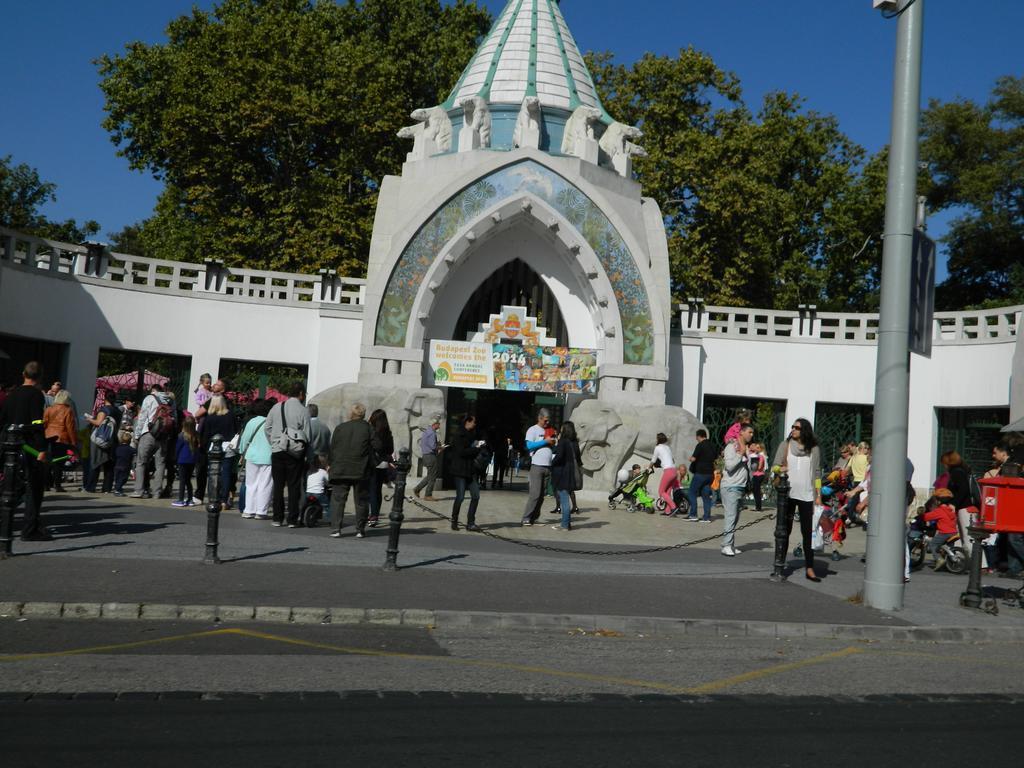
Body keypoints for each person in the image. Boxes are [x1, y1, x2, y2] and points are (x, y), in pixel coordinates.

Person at [0, 362, 50, 540]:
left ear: (23, 374)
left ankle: (5, 525)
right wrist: (42, 448)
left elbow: (3, 420)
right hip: (29, 446)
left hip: (10, 445)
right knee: (34, 488)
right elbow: (37, 423)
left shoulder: (11, 395)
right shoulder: (36, 395)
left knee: (9, 487)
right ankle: (30, 529)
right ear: (40, 377)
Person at [773, 418, 822, 580]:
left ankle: (810, 568)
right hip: (787, 494)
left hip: (807, 495)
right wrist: (781, 468)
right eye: (792, 427)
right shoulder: (785, 445)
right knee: (784, 531)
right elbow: (774, 466)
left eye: (797, 427)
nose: (793, 429)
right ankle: (779, 566)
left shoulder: (813, 449)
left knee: (807, 533)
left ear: (805, 430)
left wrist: (818, 495)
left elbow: (817, 473)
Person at [265, 382, 312, 528]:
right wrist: (308, 455)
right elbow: (308, 436)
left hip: (278, 450)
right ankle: (292, 519)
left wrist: (274, 441)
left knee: (278, 486)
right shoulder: (303, 411)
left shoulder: (277, 406)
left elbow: (267, 428)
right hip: (294, 452)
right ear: (301, 394)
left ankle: (277, 518)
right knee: (294, 486)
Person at [328, 403, 372, 538]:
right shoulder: (368, 428)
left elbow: (333, 447)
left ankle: (336, 528)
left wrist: (330, 463)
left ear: (351, 413)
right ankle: (360, 529)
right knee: (361, 500)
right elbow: (377, 444)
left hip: (340, 467)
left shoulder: (340, 428)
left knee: (338, 499)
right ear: (363, 414)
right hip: (360, 468)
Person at [130, 383, 175, 499]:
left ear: (153, 390)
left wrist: (137, 434)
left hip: (148, 433)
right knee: (160, 465)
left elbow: (142, 417)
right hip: (163, 436)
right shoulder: (170, 401)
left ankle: (139, 490)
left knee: (141, 462)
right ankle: (157, 492)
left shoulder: (149, 398)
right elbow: (174, 419)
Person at [719, 422, 754, 558]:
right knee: (730, 516)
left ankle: (730, 544)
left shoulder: (744, 448)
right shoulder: (731, 447)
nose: (751, 435)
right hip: (730, 486)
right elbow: (729, 466)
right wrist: (740, 455)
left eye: (752, 433)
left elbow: (748, 468)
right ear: (742, 433)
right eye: (749, 432)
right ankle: (726, 545)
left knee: (735, 517)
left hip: (740, 487)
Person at [238, 398, 274, 520]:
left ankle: (249, 509)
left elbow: (244, 439)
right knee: (265, 484)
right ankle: (261, 511)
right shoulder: (272, 422)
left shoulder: (252, 422)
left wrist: (242, 452)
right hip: (268, 456)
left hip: (252, 456)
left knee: (251, 483)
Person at [447, 413, 483, 532]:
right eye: (473, 422)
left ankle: (471, 522)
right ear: (467, 422)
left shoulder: (472, 435)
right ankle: (454, 520)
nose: (475, 424)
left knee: (476, 495)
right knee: (460, 497)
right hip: (460, 470)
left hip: (470, 470)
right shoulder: (458, 435)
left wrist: (477, 448)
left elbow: (470, 451)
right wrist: (476, 449)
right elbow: (462, 452)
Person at [521, 408, 556, 526]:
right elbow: (529, 445)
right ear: (539, 418)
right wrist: (545, 441)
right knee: (535, 494)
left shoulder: (550, 430)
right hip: (537, 466)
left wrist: (553, 443)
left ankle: (534, 517)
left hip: (548, 466)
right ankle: (526, 517)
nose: (547, 423)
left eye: (548, 421)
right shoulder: (532, 430)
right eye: (545, 421)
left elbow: (553, 446)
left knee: (542, 495)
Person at [941, 450, 977, 558]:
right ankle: (963, 560)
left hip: (965, 508)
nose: (943, 466)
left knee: (969, 537)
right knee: (963, 536)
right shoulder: (962, 471)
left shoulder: (957, 472)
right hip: (964, 507)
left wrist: (954, 503)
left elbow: (963, 489)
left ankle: (979, 564)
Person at [84, 390, 120, 494]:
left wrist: (89, 419)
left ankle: (90, 487)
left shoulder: (104, 409)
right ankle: (107, 488)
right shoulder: (117, 411)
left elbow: (98, 423)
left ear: (105, 398)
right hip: (112, 439)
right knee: (109, 465)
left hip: (100, 439)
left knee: (96, 463)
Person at [550, 420, 582, 532]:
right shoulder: (575, 443)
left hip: (563, 473)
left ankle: (564, 525)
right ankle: (567, 524)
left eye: (562, 428)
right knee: (566, 497)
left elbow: (559, 457)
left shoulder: (563, 442)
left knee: (564, 499)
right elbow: (578, 460)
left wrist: (551, 463)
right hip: (571, 473)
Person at [43, 389, 77, 492]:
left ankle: (46, 484)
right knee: (59, 463)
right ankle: (57, 485)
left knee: (48, 463)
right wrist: (73, 442)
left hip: (48, 437)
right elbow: (70, 427)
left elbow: (44, 424)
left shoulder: (49, 409)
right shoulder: (68, 410)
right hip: (61, 438)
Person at [368, 409, 395, 528]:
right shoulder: (387, 432)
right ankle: (375, 514)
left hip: (373, 462)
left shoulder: (372, 431)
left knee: (372, 490)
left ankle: (373, 516)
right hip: (383, 463)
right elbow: (390, 450)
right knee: (377, 491)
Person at [686, 429, 717, 522]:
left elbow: (694, 459)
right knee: (705, 495)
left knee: (691, 492)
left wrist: (690, 458)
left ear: (699, 436)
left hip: (701, 473)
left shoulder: (700, 445)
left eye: (696, 437)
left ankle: (693, 514)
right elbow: (715, 457)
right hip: (710, 474)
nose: (696, 439)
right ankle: (706, 517)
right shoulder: (712, 445)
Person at [412, 414, 445, 501]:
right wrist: (441, 447)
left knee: (430, 475)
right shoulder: (432, 433)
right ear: (435, 424)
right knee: (432, 477)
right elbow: (433, 447)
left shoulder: (427, 432)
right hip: (430, 456)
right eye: (438, 424)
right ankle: (428, 495)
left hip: (426, 456)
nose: (439, 426)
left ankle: (417, 489)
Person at [920, 493, 958, 570]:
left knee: (933, 544)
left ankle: (939, 559)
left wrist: (921, 515)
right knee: (949, 548)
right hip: (954, 532)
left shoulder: (940, 511)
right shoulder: (951, 511)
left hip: (945, 533)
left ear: (939, 502)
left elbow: (927, 517)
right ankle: (951, 564)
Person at [172, 415, 199, 507]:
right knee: (188, 480)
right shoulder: (196, 435)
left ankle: (180, 499)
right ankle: (190, 499)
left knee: (182, 480)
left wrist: (174, 458)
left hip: (182, 460)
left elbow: (177, 448)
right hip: (192, 460)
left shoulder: (181, 436)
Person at [651, 432, 679, 516]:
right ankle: (668, 511)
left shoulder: (657, 448)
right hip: (674, 470)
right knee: (667, 492)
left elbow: (653, 460)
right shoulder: (667, 447)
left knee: (661, 491)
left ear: (658, 439)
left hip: (668, 471)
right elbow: (672, 460)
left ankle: (674, 507)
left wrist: (648, 467)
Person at [112, 431, 135, 497]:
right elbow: (136, 451)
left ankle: (118, 489)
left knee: (117, 479)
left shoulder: (118, 448)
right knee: (123, 479)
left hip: (117, 466)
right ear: (130, 441)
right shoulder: (130, 449)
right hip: (125, 466)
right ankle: (117, 490)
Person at [748, 441, 767, 511]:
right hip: (758, 475)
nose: (756, 449)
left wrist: (755, 466)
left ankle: (758, 507)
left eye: (758, 448)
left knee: (757, 492)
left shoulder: (761, 456)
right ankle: (757, 506)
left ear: (761, 449)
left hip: (758, 475)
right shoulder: (759, 455)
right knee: (756, 491)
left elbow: (759, 467)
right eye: (756, 447)